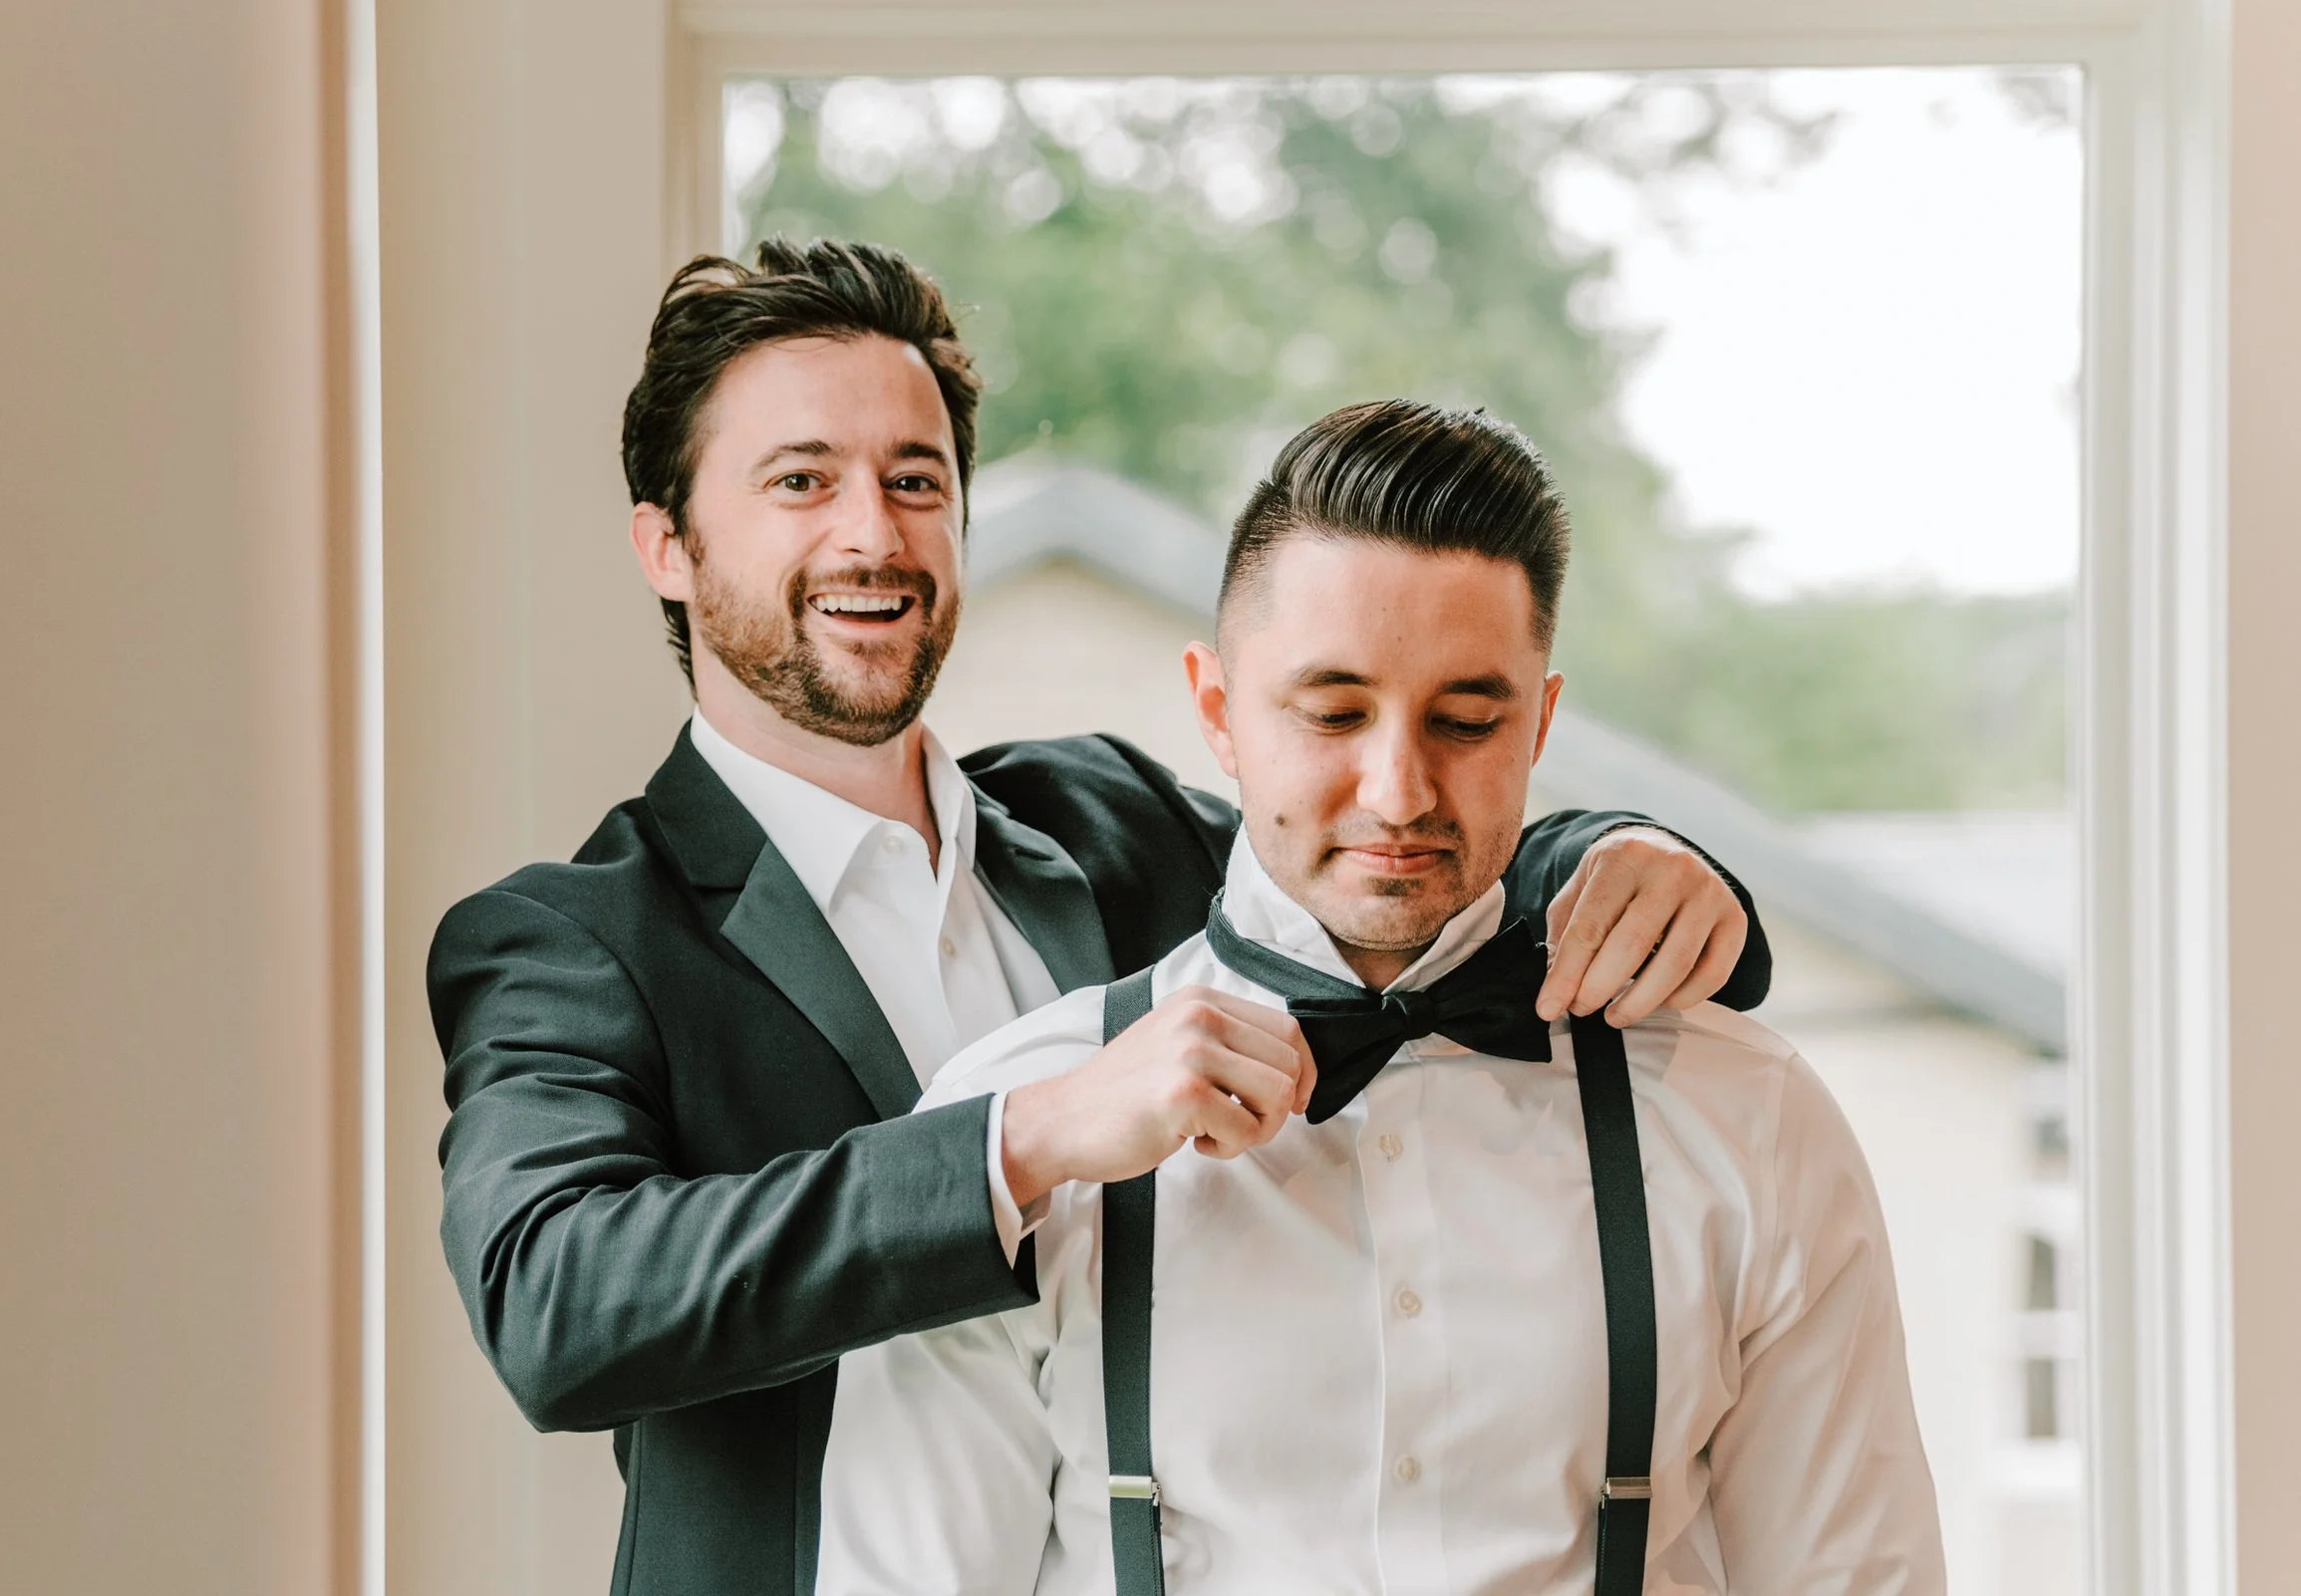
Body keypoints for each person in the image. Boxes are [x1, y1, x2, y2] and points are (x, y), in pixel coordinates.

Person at [429, 240, 1776, 1596]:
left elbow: (1371, 856)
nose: (872, 533)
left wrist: (1605, 851)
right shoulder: (572, 938)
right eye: (800, 482)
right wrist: (1030, 1139)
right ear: (667, 545)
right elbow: (559, 1303)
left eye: (916, 480)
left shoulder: (1106, 814)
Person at [816, 399, 1944, 1596]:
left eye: (1466, 719)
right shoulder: (1018, 1124)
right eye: (1334, 712)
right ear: (1217, 711)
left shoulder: (1746, 1118)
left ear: (1539, 722)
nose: (1399, 789)